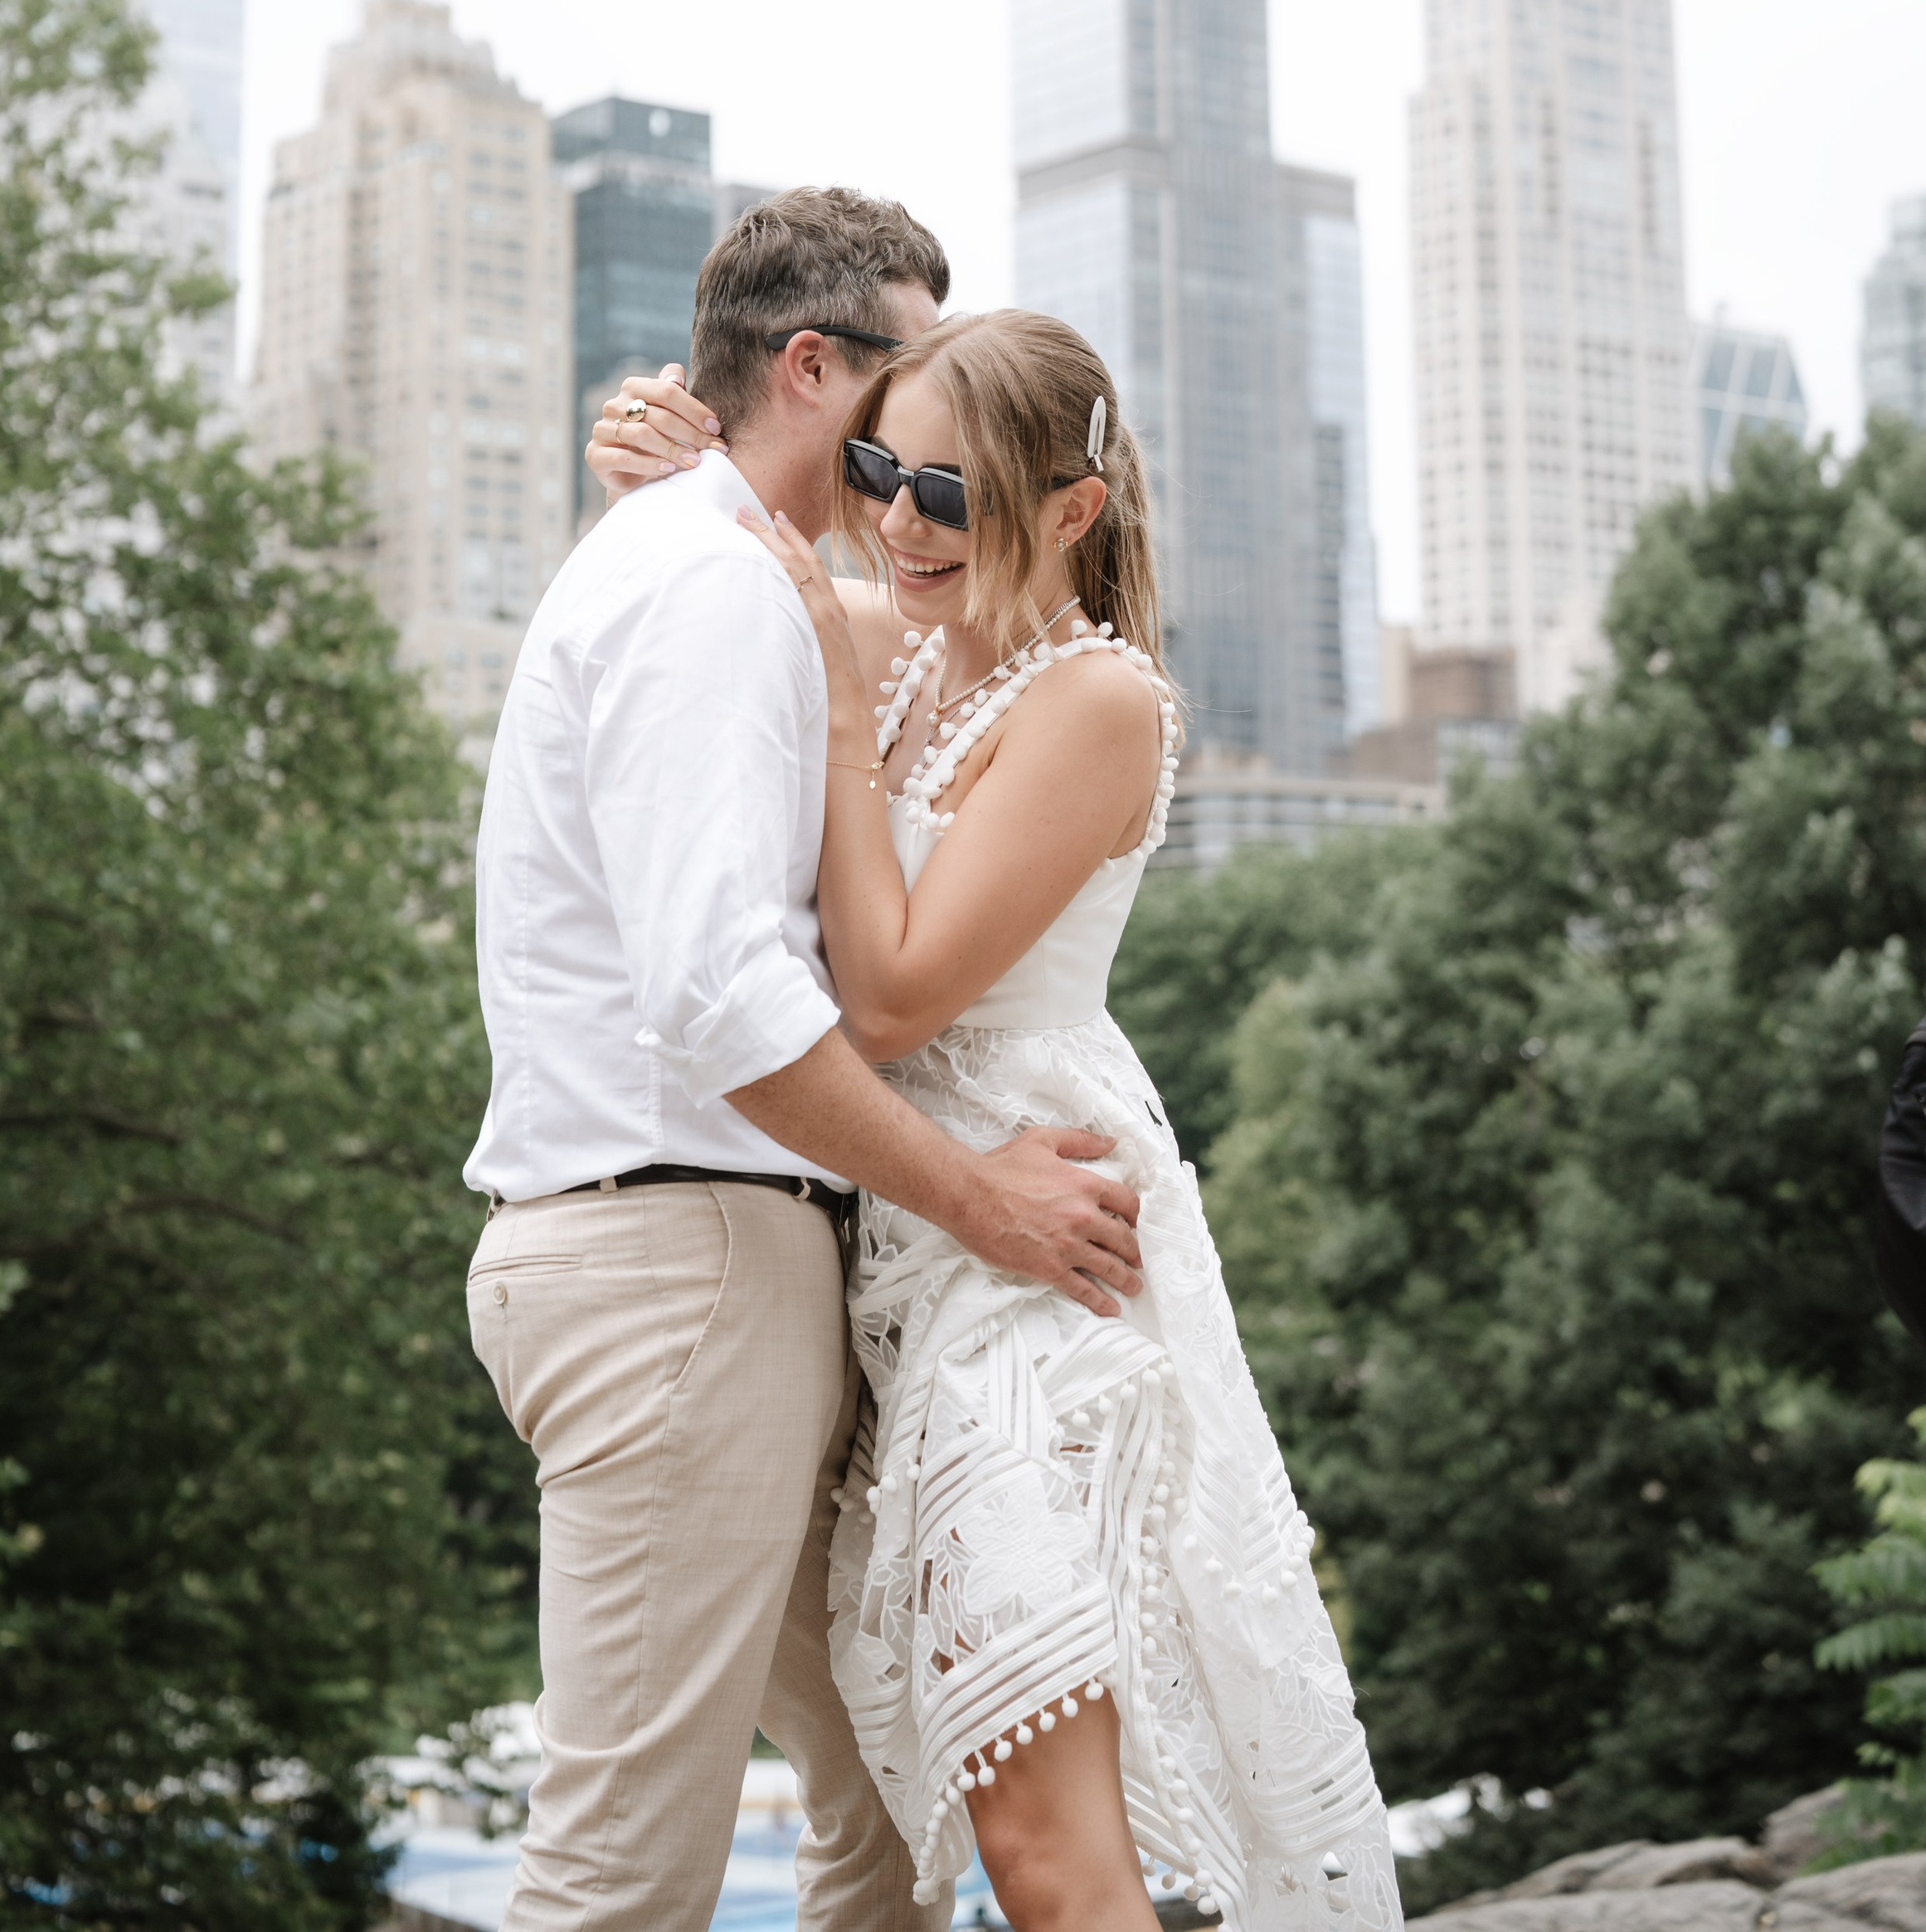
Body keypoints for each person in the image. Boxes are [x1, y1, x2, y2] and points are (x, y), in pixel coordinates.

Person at [592, 309, 1400, 1932]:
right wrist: (643, 456)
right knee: (994, 1839)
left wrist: (838, 729)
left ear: (1071, 510)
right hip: (901, 1252)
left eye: (949, 494)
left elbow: (891, 999)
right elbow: (724, 578)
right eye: (879, 472)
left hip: (1035, 1263)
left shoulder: (1096, 698)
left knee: (1045, 1852)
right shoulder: (899, 637)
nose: (899, 521)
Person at [462, 193, 1146, 1932]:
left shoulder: (762, 575)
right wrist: (977, 1199)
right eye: (900, 395)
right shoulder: (710, 585)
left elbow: (983, 641)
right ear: (813, 369)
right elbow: (718, 1000)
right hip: (681, 1256)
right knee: (623, 1870)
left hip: (757, 1260)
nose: (916, 453)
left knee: (886, 1803)